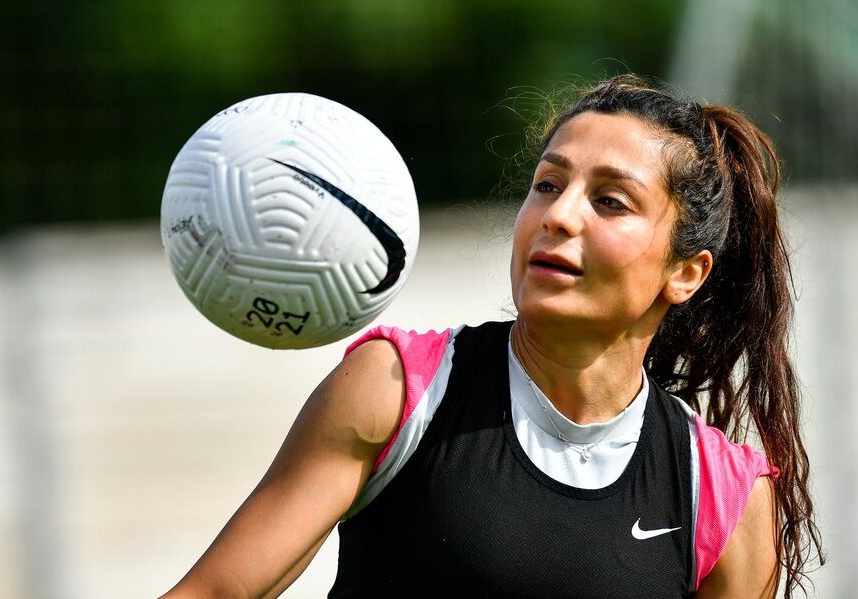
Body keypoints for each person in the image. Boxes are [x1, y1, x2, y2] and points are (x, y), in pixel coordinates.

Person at [162, 75, 823, 598]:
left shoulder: (724, 496)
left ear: (685, 272)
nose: (558, 215)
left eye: (610, 201)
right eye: (547, 184)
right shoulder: (397, 391)